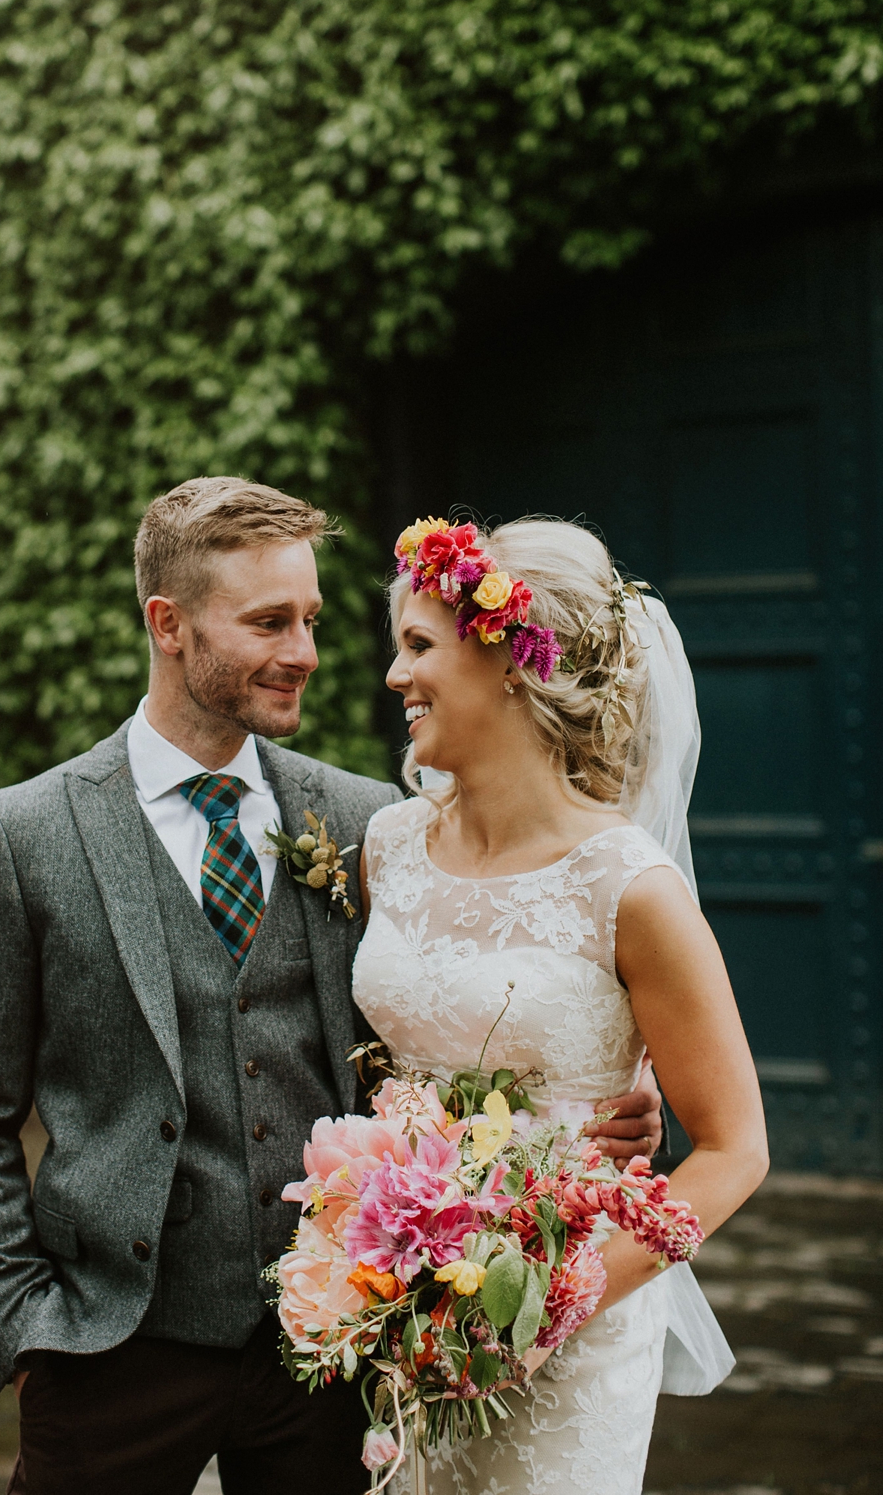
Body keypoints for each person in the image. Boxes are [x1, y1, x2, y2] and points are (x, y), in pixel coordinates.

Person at [0, 478, 663, 1495]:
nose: (306, 652)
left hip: (335, 1355)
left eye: (311, 619)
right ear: (168, 625)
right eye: (270, 622)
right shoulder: (27, 836)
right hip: (112, 1351)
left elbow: (459, 1009)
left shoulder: (367, 822)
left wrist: (595, 1111)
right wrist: (22, 1324)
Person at [353, 515, 768, 1495]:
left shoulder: (630, 888)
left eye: (420, 647)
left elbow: (735, 1150)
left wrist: (551, 1304)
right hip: (402, 1307)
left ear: (508, 664)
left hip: (567, 1332)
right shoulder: (387, 847)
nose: (393, 677)